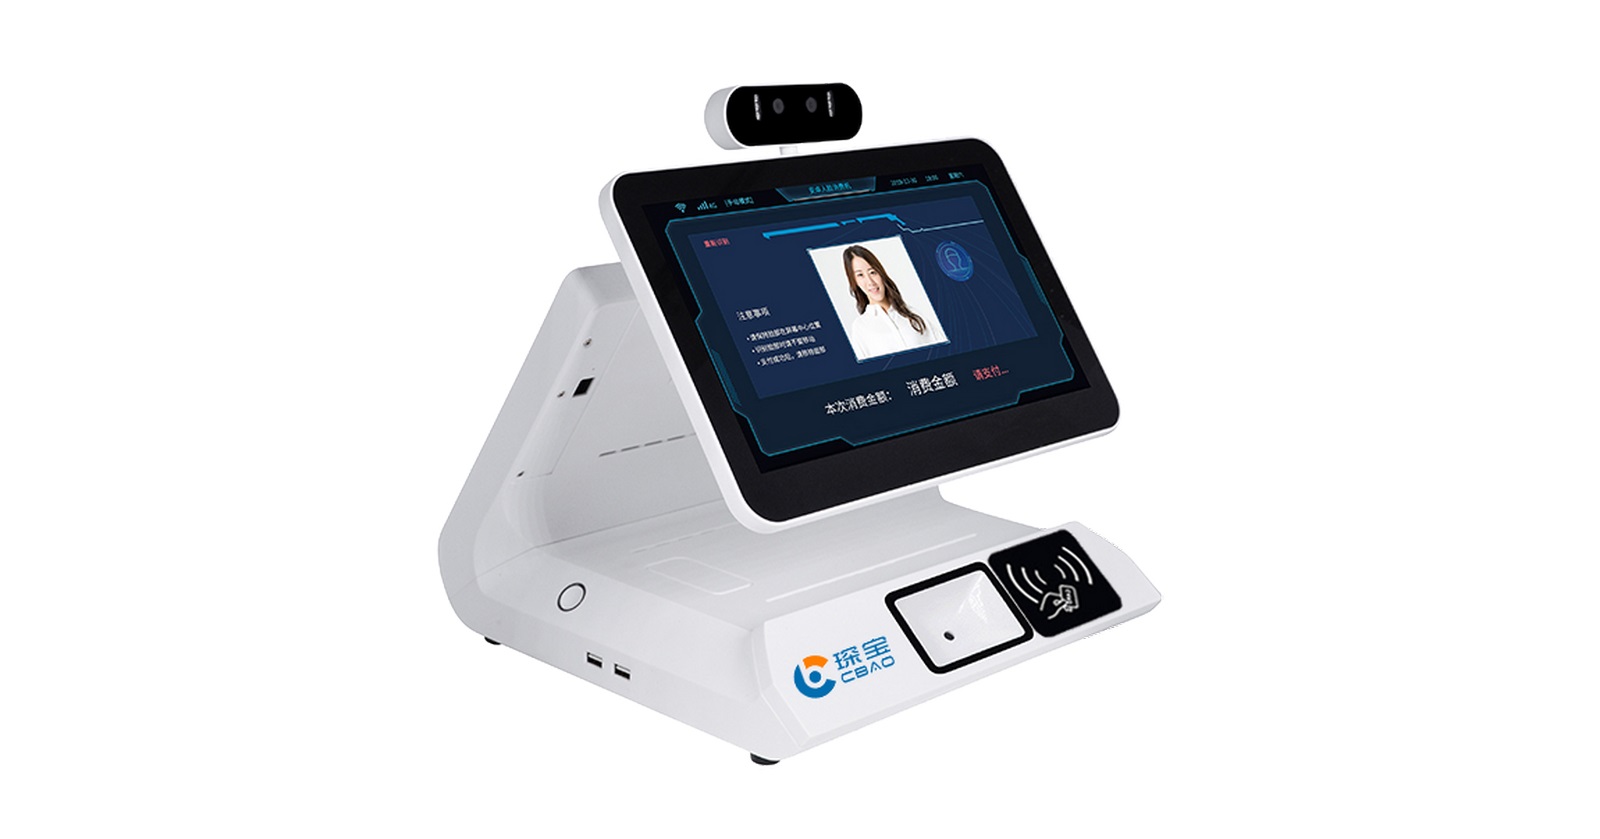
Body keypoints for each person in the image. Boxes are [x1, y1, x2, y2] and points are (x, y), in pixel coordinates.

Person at [842, 244, 946, 358]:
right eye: (860, 275)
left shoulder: (913, 314)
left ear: (881, 273)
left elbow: (944, 349)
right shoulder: (860, 327)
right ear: (854, 281)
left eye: (872, 272)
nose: (870, 282)